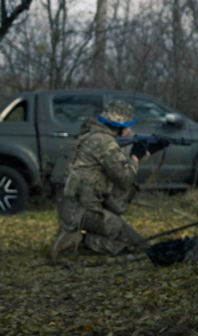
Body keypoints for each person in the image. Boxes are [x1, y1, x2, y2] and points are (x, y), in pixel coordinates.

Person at [49, 99, 147, 260]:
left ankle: (72, 235)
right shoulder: (106, 142)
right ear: (119, 126)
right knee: (138, 244)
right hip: (84, 211)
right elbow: (124, 180)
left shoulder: (87, 135)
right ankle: (81, 240)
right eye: (127, 126)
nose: (129, 130)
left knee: (121, 232)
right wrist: (136, 158)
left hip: (69, 208)